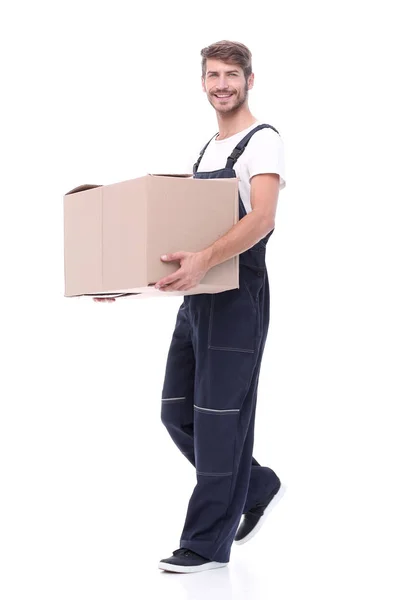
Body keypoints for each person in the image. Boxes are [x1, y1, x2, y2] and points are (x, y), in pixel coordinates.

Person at [94, 39, 286, 574]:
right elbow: (180, 238)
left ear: (250, 79)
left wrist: (204, 259)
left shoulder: (262, 143)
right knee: (176, 412)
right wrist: (122, 282)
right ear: (202, 82)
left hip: (237, 297)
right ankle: (259, 485)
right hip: (197, 299)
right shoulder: (206, 151)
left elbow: (262, 218)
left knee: (220, 420)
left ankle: (204, 545)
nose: (221, 84)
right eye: (212, 75)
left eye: (231, 74)